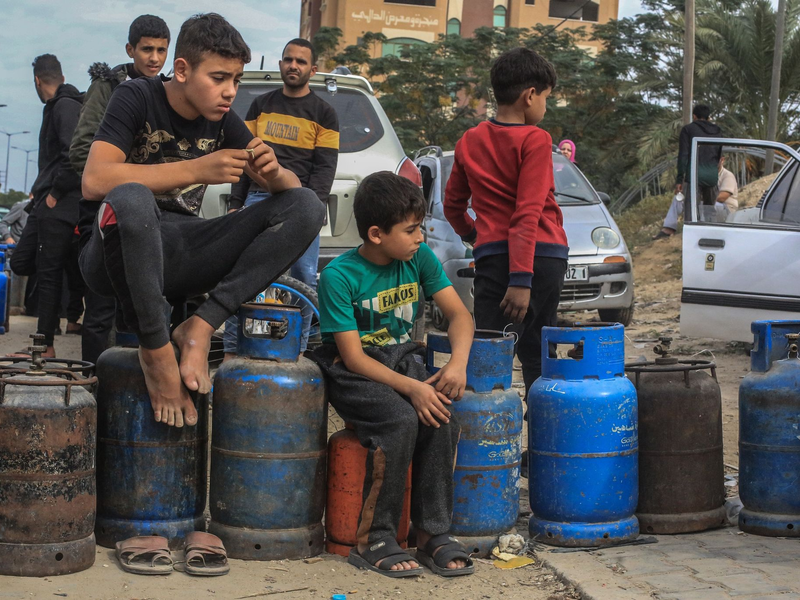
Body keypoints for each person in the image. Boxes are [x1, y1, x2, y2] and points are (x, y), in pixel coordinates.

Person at [80, 13, 324, 428]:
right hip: (116, 252)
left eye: (236, 80)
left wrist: (274, 171)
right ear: (181, 69)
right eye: (219, 78)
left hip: (183, 249)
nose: (230, 91)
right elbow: (94, 180)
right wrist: (196, 169)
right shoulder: (135, 96)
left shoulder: (222, 117)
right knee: (133, 197)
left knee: (306, 205)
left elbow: (291, 191)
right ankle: (156, 353)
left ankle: (200, 328)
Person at [314, 172, 475, 578]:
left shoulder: (418, 258)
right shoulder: (339, 276)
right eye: (412, 229)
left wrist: (457, 363)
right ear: (376, 233)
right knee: (402, 420)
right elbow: (352, 358)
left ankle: (432, 533)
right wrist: (414, 390)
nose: (421, 237)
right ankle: (377, 537)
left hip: (404, 360)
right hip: (356, 372)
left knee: (441, 419)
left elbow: (459, 316)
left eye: (420, 226)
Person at [444, 47, 568, 395]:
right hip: (539, 261)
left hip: (494, 259)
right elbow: (527, 213)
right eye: (546, 98)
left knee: (487, 353)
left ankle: (487, 444)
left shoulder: (470, 140)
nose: (545, 105)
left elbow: (452, 205)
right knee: (539, 356)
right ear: (530, 96)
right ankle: (546, 444)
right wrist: (521, 280)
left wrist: (475, 234)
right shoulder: (536, 139)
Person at [223, 37, 338, 359]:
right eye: (288, 59)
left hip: (302, 202)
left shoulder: (324, 113)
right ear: (280, 64)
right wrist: (236, 204)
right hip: (257, 199)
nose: (293, 66)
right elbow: (244, 159)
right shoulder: (261, 105)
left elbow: (324, 169)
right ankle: (233, 350)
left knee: (302, 280)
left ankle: (295, 353)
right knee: (242, 274)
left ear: (312, 70)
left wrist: (310, 209)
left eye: (301, 61)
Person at [70, 14, 171, 366]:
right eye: (147, 49)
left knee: (153, 303)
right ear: (131, 49)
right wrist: (122, 173)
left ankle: (139, 386)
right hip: (108, 207)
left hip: (156, 212)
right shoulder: (109, 85)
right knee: (101, 306)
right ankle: (92, 389)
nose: (154, 58)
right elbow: (82, 149)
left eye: (161, 50)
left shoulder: (168, 91)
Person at [10, 54, 84, 357]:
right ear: (62, 77)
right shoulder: (63, 105)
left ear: (37, 81)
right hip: (49, 202)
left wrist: (54, 191)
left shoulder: (65, 107)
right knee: (24, 262)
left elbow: (74, 153)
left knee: (48, 272)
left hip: (58, 202)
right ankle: (59, 325)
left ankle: (45, 345)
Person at [655, 157, 738, 238]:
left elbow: (722, 197)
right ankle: (668, 229)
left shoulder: (727, 175)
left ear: (722, 160)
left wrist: (700, 198)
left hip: (726, 209)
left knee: (703, 205)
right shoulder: (705, 175)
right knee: (678, 199)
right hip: (709, 205)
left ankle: (700, 230)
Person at [676, 104, 723, 206]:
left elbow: (683, 155)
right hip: (711, 176)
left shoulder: (688, 130)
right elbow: (718, 155)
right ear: (708, 117)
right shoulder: (717, 131)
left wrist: (679, 180)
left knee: (691, 212)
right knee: (710, 211)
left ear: (694, 116)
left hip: (694, 177)